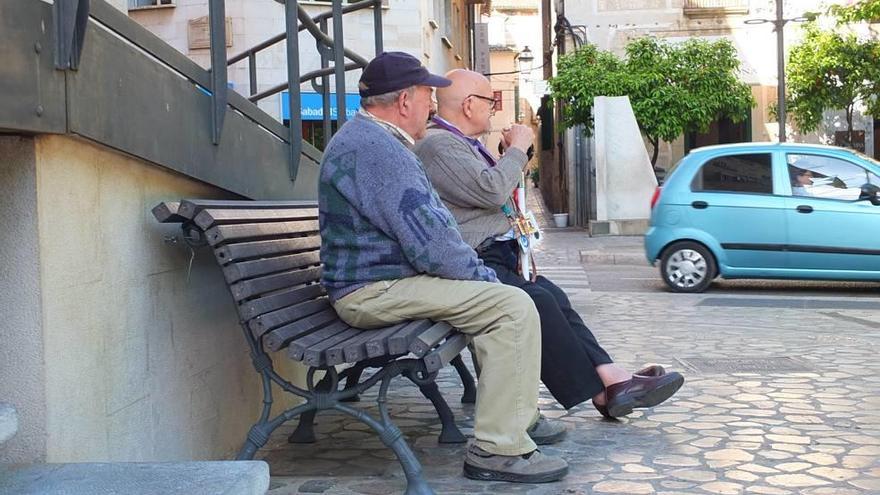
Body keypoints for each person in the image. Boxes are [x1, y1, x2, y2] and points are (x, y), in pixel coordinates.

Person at [318, 52, 568, 483]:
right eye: (428, 95)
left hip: (381, 282)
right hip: (373, 290)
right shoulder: (380, 151)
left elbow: (430, 234)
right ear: (404, 101)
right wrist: (482, 277)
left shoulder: (373, 140)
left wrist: (478, 278)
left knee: (503, 302)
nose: (433, 105)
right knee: (510, 306)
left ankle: (515, 422)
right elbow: (433, 243)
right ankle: (497, 449)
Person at [414, 69, 684, 419]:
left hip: (494, 254)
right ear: (468, 105)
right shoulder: (439, 144)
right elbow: (492, 191)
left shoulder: (460, 144)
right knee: (537, 300)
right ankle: (605, 389)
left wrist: (510, 155)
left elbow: (493, 189)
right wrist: (517, 149)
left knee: (552, 295)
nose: (494, 108)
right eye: (490, 100)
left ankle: (610, 382)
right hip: (474, 259)